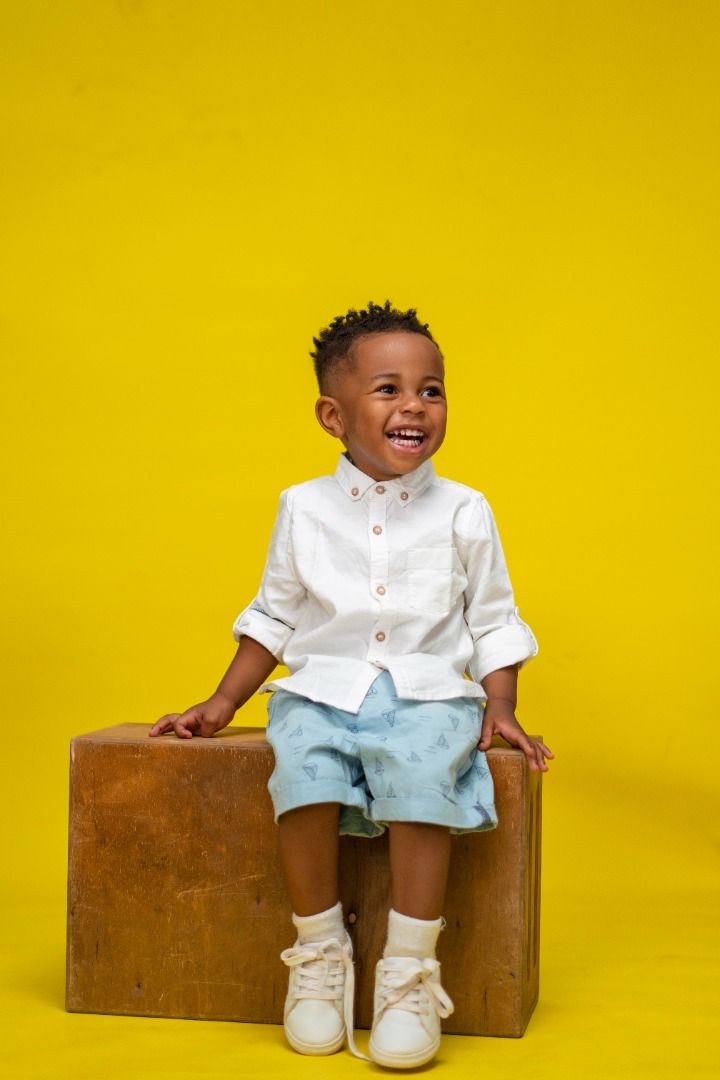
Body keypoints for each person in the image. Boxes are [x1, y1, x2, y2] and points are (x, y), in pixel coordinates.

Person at [149, 300, 554, 1069]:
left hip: (431, 692)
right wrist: (222, 702)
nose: (414, 407)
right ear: (333, 415)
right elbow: (274, 615)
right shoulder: (301, 508)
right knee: (301, 776)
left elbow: (495, 619)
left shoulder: (466, 510)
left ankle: (408, 969)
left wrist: (500, 705)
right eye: (389, 389)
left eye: (431, 390)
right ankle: (319, 951)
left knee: (424, 778)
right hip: (323, 689)